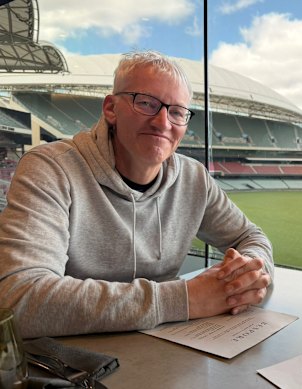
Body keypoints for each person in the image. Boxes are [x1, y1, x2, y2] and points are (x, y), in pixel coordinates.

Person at [0, 51, 273, 339]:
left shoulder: (194, 178)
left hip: (168, 356)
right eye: (146, 103)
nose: (163, 122)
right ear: (111, 108)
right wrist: (186, 299)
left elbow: (251, 237)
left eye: (177, 112)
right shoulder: (51, 168)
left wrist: (248, 275)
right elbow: (19, 299)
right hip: (72, 365)